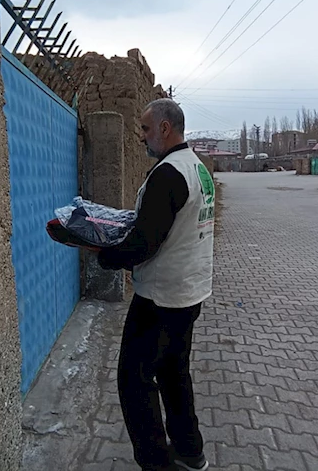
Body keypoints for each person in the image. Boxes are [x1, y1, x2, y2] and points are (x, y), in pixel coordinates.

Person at [98, 98, 214, 471]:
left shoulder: (168, 174)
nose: (142, 137)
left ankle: (155, 463)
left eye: (146, 129)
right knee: (173, 372)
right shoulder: (196, 167)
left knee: (134, 380)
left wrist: (103, 254)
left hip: (160, 298)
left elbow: (145, 243)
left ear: (165, 128)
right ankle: (190, 452)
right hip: (188, 292)